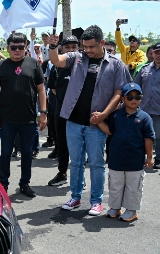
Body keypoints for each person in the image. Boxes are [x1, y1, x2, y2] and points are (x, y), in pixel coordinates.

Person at [49, 25, 131, 215]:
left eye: (91, 47)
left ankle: (96, 200)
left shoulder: (116, 64)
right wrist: (53, 47)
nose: (87, 50)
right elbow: (57, 60)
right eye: (84, 46)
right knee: (76, 162)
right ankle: (75, 197)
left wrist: (104, 115)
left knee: (96, 163)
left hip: (97, 124)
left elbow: (119, 93)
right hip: (73, 121)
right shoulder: (77, 57)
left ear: (102, 43)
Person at [0, 32, 47, 198]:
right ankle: (3, 184)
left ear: (25, 47)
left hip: (28, 118)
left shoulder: (33, 64)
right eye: (13, 47)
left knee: (27, 153)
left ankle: (25, 183)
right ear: (8, 48)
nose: (17, 50)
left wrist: (43, 113)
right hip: (7, 119)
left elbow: (41, 90)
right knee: (6, 153)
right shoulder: (1, 66)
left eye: (20, 47)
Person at [97, 82, 155, 222]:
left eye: (137, 97)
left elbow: (148, 139)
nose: (133, 100)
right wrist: (98, 121)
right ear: (122, 98)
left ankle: (131, 210)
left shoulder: (145, 118)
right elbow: (109, 131)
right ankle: (115, 207)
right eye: (129, 97)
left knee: (133, 187)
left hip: (135, 161)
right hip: (116, 159)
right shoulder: (116, 115)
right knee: (115, 185)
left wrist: (149, 157)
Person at [47, 35, 79, 186]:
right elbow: (53, 88)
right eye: (67, 47)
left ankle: (79, 177)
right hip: (60, 111)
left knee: (79, 147)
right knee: (62, 144)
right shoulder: (56, 67)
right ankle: (62, 173)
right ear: (61, 49)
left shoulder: (82, 66)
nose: (70, 50)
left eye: (74, 47)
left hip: (79, 113)